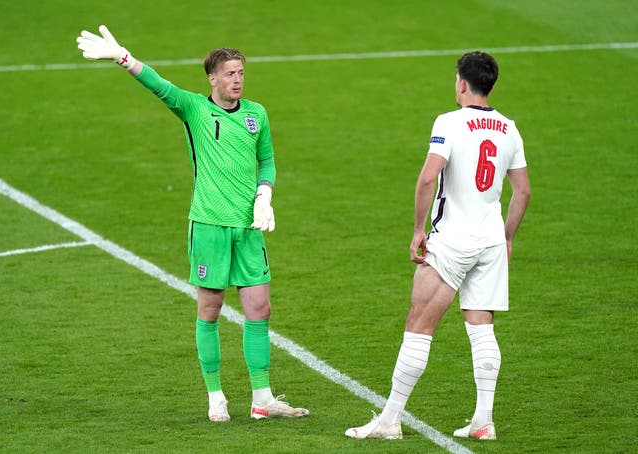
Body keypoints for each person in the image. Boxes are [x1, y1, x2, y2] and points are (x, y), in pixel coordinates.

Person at [77, 25, 309, 422]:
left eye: (241, 73)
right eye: (230, 73)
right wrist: (123, 58)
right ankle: (216, 396)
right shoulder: (194, 109)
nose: (237, 80)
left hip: (248, 229)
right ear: (213, 78)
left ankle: (262, 398)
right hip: (208, 226)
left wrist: (264, 195)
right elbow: (159, 86)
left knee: (260, 307)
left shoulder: (257, 114)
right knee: (211, 309)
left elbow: (266, 160)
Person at [345, 51, 530, 441]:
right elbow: (523, 192)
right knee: (481, 329)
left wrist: (417, 229)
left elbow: (429, 177)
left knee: (419, 326)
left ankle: (389, 420)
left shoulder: (449, 121)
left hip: (453, 241)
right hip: (491, 240)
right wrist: (508, 237)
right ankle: (483, 421)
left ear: (462, 83)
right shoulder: (509, 128)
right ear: (490, 86)